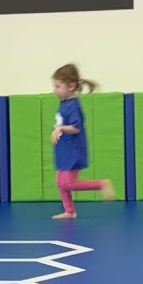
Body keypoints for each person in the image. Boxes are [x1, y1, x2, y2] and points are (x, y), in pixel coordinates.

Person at [50, 63, 115, 220]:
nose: (54, 90)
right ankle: (69, 211)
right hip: (64, 150)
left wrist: (60, 128)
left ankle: (102, 184)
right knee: (60, 181)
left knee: (68, 183)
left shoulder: (73, 106)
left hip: (73, 151)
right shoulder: (64, 103)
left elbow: (76, 128)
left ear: (71, 86)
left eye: (58, 86)